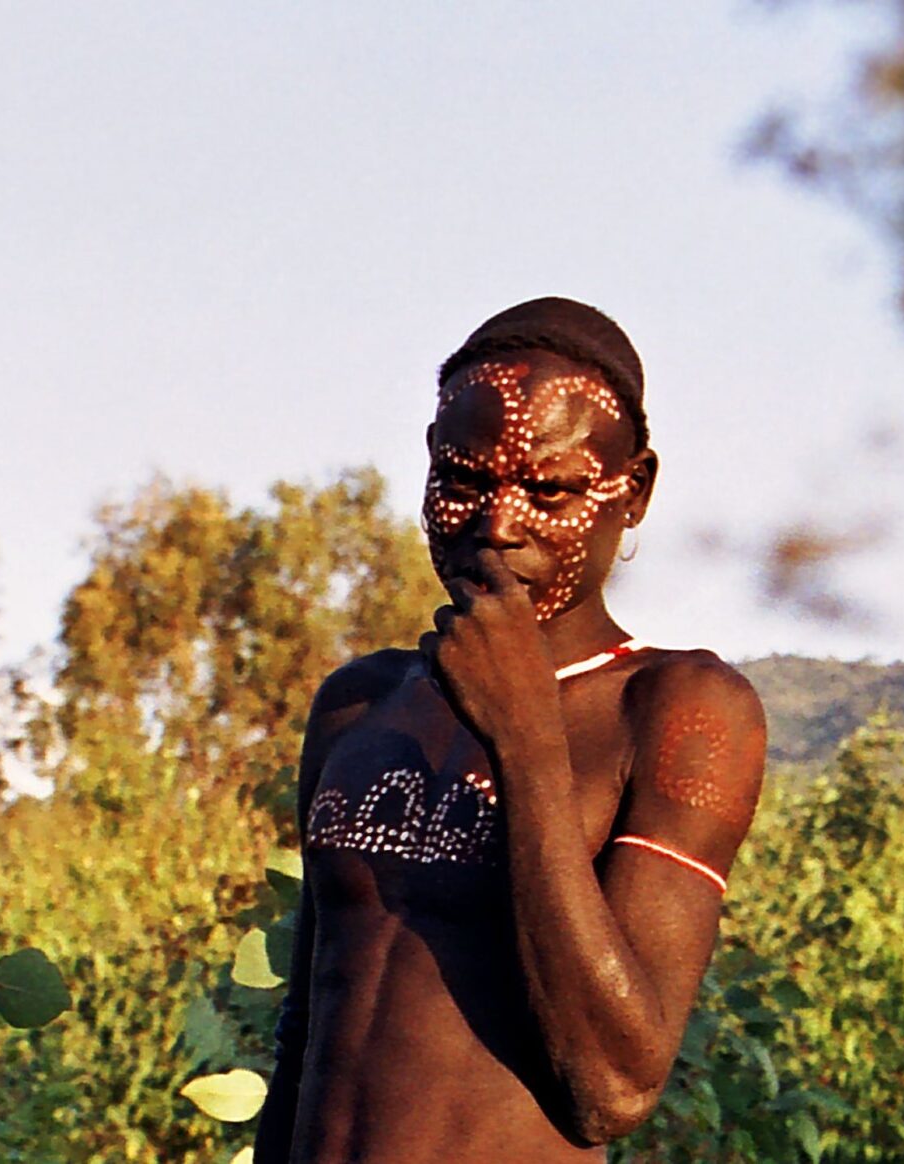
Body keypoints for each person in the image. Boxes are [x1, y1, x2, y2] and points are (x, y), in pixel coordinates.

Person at [254, 298, 768, 1161]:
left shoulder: (680, 710)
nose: (498, 524)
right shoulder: (356, 704)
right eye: (462, 481)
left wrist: (526, 737)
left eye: (551, 490)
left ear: (632, 493)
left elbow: (613, 1088)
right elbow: (303, 1031)